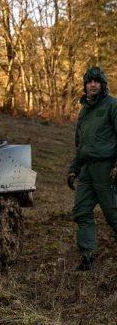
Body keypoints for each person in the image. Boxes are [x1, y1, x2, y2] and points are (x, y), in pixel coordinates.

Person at [67, 66, 117, 271]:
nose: (93, 84)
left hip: (106, 168)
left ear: (102, 84)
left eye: (97, 81)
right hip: (86, 169)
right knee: (81, 211)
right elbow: (82, 144)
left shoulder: (112, 105)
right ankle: (87, 258)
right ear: (85, 85)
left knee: (113, 214)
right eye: (89, 81)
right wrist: (74, 169)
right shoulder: (85, 111)